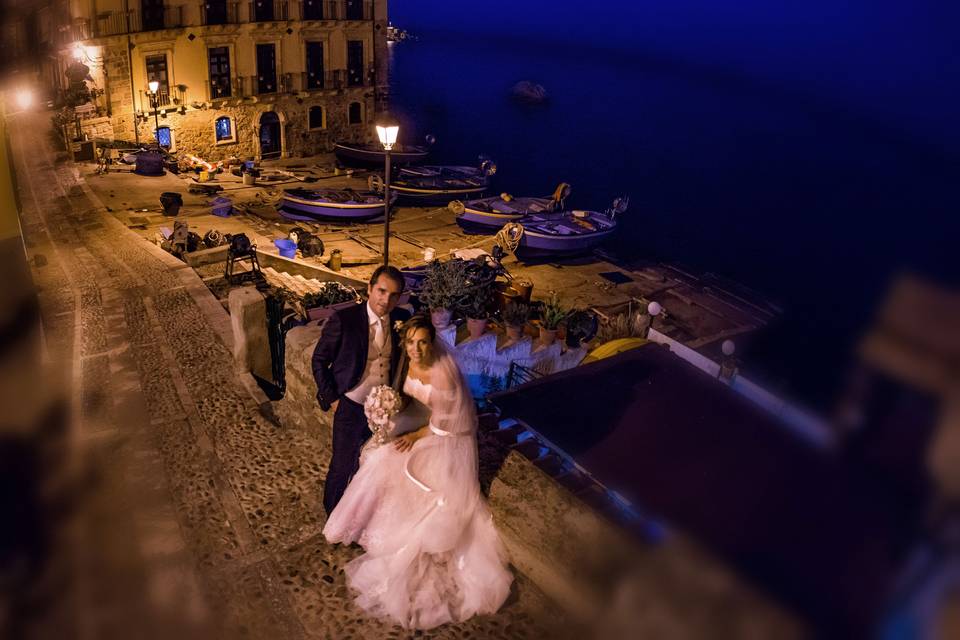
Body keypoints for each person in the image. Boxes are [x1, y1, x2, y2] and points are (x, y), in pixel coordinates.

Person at [323, 315, 513, 630]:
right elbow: (411, 400)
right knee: (377, 456)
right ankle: (357, 525)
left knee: (393, 466)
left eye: (423, 341)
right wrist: (383, 411)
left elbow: (448, 425)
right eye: (411, 341)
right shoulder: (407, 361)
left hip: (445, 442)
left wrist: (412, 437)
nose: (416, 348)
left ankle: (395, 541)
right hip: (425, 426)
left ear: (432, 342)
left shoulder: (443, 376)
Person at [312, 265, 410, 515]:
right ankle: (332, 515)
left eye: (393, 295)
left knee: (370, 467)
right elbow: (319, 360)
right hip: (350, 404)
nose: (385, 300)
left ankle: (359, 514)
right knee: (343, 464)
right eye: (381, 291)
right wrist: (333, 399)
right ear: (369, 288)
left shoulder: (401, 319)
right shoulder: (343, 320)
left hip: (385, 411)